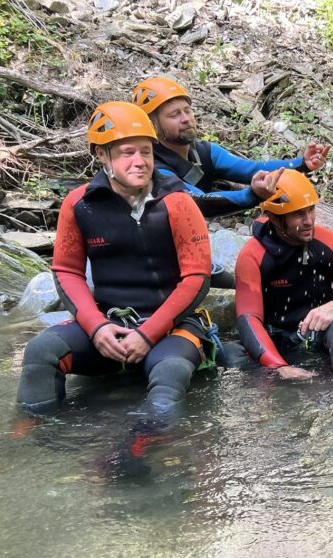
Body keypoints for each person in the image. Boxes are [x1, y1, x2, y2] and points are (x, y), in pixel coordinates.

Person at [16, 101, 213, 423]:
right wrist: (97, 328)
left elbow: (196, 277)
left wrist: (148, 333)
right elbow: (67, 271)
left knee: (171, 374)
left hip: (171, 328)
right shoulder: (80, 204)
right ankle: (31, 442)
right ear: (101, 155)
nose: (139, 162)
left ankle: (152, 448)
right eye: (127, 153)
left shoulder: (177, 202)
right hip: (109, 324)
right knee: (40, 352)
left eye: (146, 152)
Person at [131, 77, 331, 218]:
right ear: (152, 125)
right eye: (174, 115)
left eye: (188, 110)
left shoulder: (203, 151)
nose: (186, 119)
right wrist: (252, 195)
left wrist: (301, 163)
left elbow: (251, 169)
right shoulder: (154, 168)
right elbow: (198, 202)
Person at [234, 169, 333, 380]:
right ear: (274, 218)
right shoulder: (252, 255)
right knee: (231, 355)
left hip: (321, 334)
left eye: (310, 210)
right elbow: (249, 318)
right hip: (276, 340)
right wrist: (278, 366)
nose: (308, 220)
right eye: (297, 214)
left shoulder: (330, 242)